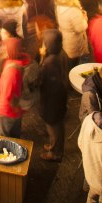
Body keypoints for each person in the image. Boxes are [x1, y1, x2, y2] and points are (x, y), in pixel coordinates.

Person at [38, 26, 68, 162]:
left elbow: (40, 79)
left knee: (53, 127)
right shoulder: (61, 54)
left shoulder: (50, 62)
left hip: (52, 101)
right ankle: (53, 146)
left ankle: (55, 153)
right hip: (59, 99)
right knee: (57, 125)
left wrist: (42, 59)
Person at [0, 37, 29, 138]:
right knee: (15, 133)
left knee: (2, 138)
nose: (2, 50)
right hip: (16, 110)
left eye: (5, 49)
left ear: (11, 51)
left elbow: (6, 96)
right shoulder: (16, 61)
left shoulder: (11, 73)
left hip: (7, 111)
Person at [55, 0, 90, 64]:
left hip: (66, 39)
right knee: (77, 64)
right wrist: (84, 18)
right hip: (75, 42)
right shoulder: (73, 10)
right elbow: (80, 28)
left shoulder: (60, 6)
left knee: (69, 62)